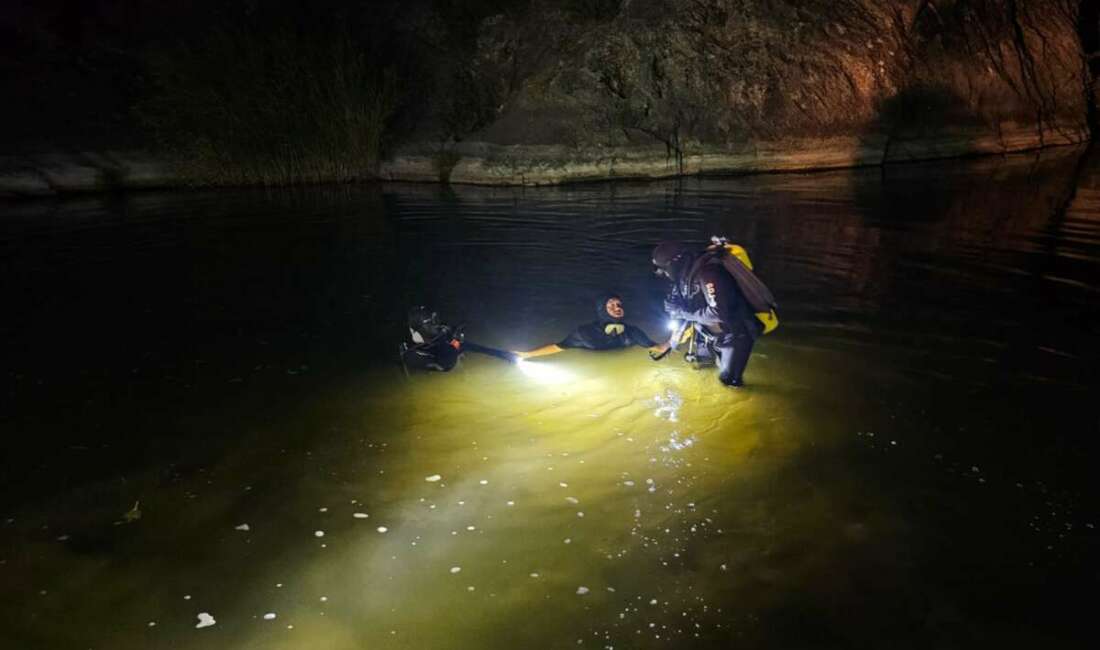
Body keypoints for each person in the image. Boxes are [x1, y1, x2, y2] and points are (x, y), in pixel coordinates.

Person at [649, 240, 770, 387]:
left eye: (664, 269)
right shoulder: (682, 279)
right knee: (703, 366)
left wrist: (683, 313)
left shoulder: (709, 273)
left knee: (729, 382)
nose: (665, 274)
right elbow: (678, 314)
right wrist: (669, 344)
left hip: (734, 334)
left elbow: (718, 313)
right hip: (708, 333)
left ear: (675, 262)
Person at [515, 293, 660, 358]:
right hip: (593, 357)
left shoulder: (632, 332)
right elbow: (558, 347)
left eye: (619, 304)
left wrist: (680, 336)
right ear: (601, 310)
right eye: (611, 305)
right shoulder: (584, 333)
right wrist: (527, 354)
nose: (617, 308)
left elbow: (659, 348)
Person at [400, 306, 515, 372]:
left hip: (445, 352)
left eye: (435, 320)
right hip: (441, 367)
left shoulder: (440, 334)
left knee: (467, 345)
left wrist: (503, 354)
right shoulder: (411, 354)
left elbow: (474, 346)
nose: (437, 325)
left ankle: (507, 355)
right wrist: (454, 344)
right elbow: (445, 366)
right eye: (432, 322)